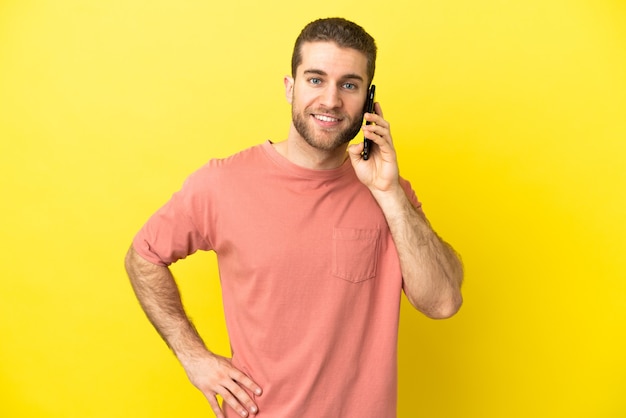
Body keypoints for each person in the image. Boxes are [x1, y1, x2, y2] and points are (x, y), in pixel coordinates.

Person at [125, 17, 463, 418]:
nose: (331, 100)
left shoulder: (390, 193)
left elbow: (443, 301)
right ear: (290, 87)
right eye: (316, 80)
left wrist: (388, 193)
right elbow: (143, 255)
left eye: (349, 85)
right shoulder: (223, 183)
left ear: (369, 101)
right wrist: (193, 356)